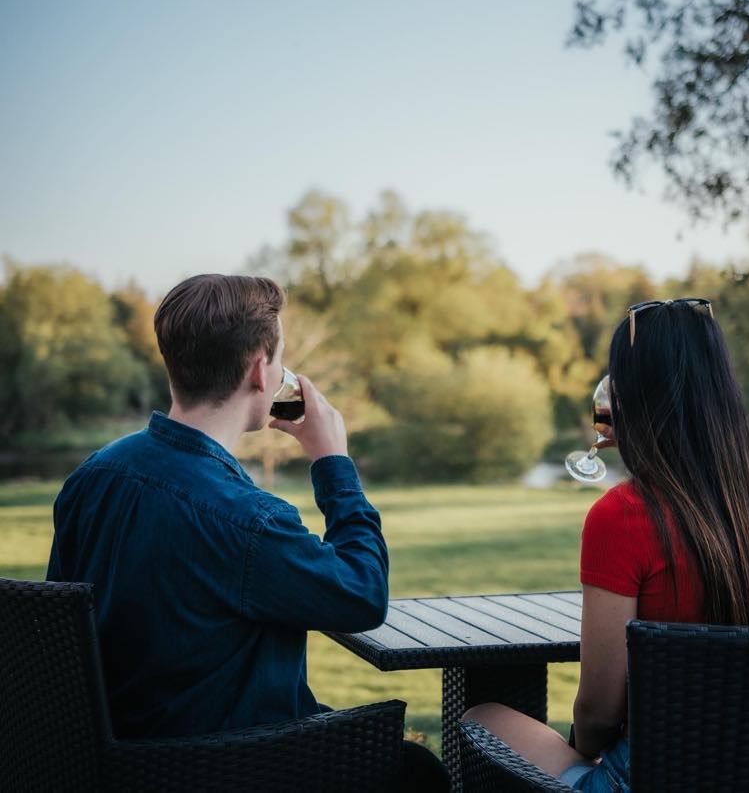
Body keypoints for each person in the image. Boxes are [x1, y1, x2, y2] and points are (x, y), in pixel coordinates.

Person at [47, 273, 449, 788]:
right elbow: (363, 594)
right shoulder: (249, 520)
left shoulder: (92, 477)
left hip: (108, 763)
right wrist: (333, 462)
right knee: (417, 772)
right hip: (229, 765)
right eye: (280, 358)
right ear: (261, 371)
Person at [464, 297, 749, 792]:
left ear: (635, 397)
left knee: (482, 716)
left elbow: (598, 714)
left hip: (649, 775)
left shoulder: (624, 514)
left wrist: (588, 757)